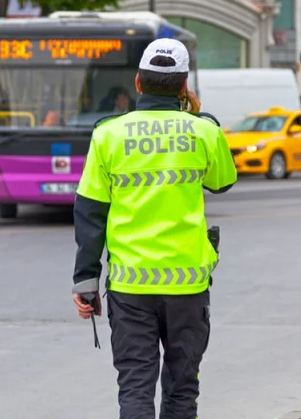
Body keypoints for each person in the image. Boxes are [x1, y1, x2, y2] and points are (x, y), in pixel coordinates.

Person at [70, 38, 237, 419]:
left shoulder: (108, 134)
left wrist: (85, 281)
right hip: (188, 285)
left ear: (138, 83)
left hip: (130, 288)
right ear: (183, 86)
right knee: (182, 388)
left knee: (135, 386)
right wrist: (197, 116)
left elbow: (90, 211)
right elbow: (222, 181)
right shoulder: (203, 132)